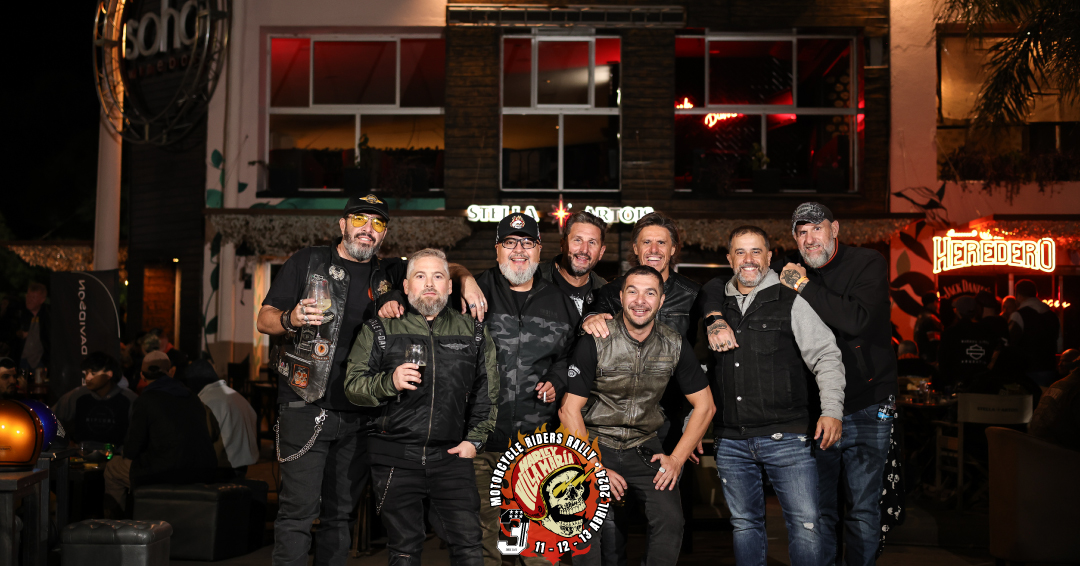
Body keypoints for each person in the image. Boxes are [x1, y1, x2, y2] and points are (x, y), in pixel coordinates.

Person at [257, 194, 487, 566]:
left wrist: (467, 279)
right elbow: (264, 319)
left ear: (384, 234)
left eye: (377, 223)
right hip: (305, 404)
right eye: (359, 219)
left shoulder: (389, 271)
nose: (368, 229)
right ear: (342, 224)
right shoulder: (308, 261)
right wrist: (292, 318)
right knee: (298, 513)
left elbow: (438, 266)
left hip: (362, 412)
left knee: (340, 516)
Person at [700, 226, 844, 566]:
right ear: (729, 259)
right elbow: (702, 374)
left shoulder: (791, 299)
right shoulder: (715, 307)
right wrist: (694, 426)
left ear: (768, 256)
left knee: (806, 526)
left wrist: (832, 410)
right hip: (731, 440)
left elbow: (826, 356)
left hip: (787, 438)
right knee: (745, 526)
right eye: (740, 252)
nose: (748, 259)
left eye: (756, 251)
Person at [344, 248, 499, 566]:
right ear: (406, 285)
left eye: (438, 276)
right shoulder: (380, 329)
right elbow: (353, 387)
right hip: (395, 458)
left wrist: (475, 440)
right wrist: (389, 382)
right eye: (420, 276)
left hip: (452, 457)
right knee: (404, 549)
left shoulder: (473, 331)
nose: (429, 284)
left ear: (450, 286)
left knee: (469, 547)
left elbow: (488, 393)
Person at [560, 265, 715, 566]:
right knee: (583, 524)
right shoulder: (596, 339)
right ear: (621, 297)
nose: (640, 301)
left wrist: (676, 459)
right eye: (632, 292)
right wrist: (593, 466)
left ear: (661, 300)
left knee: (670, 520)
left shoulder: (674, 343)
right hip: (594, 444)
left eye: (650, 293)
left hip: (644, 446)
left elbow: (706, 406)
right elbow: (569, 410)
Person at [776, 202, 898, 566]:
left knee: (862, 508)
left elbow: (855, 319)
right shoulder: (788, 268)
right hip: (816, 408)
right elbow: (732, 280)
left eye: (817, 228)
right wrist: (714, 314)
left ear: (835, 229)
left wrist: (801, 285)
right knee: (819, 509)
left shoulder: (867, 262)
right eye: (802, 232)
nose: (810, 238)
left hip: (868, 400)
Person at [466, 213, 581, 566]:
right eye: (511, 242)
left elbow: (571, 356)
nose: (519, 250)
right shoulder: (474, 291)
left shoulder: (559, 301)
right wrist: (462, 277)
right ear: (497, 249)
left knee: (534, 545)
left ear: (540, 249)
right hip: (480, 441)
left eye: (528, 243)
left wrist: (557, 381)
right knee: (486, 541)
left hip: (536, 448)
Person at [103, 356, 219, 517]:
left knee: (113, 468)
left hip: (167, 472)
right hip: (204, 470)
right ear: (171, 372)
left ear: (142, 376)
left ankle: (116, 525)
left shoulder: (145, 400)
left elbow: (131, 450)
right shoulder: (192, 397)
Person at [188, 360, 260, 477]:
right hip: (243, 464)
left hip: (223, 467)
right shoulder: (237, 396)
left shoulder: (206, 401)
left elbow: (204, 438)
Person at [52, 352, 137, 446]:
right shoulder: (77, 395)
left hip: (117, 454)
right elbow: (51, 417)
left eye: (93, 373)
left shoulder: (129, 399)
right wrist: (64, 441)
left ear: (109, 374)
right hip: (82, 453)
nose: (88, 378)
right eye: (86, 373)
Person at [536, 210, 609, 315]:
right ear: (563, 244)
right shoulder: (534, 278)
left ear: (601, 252)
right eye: (578, 240)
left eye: (592, 242)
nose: (584, 250)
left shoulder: (605, 293)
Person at [1008, 279, 1061, 387]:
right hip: (1049, 368)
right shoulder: (1052, 315)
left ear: (1018, 295)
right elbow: (1059, 345)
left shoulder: (1019, 315)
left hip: (1027, 371)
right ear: (1035, 293)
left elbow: (1010, 343)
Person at [937, 296, 996, 391]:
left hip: (957, 389)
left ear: (957, 312)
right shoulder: (988, 332)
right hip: (983, 388)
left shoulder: (951, 333)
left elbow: (943, 362)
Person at [1028, 349, 1079, 452]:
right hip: (1060, 455)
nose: (1060, 364)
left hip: (1037, 451)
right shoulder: (1075, 389)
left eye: (1065, 361)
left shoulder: (1058, 384)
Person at [13, 282, 50, 372]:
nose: (29, 300)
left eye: (33, 297)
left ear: (42, 300)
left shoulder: (48, 315)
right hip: (22, 360)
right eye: (28, 296)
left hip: (41, 361)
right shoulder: (19, 313)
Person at [913, 292, 943, 364]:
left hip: (923, 358)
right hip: (931, 360)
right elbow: (935, 343)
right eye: (938, 302)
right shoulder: (931, 319)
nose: (939, 306)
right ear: (935, 302)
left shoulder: (920, 317)